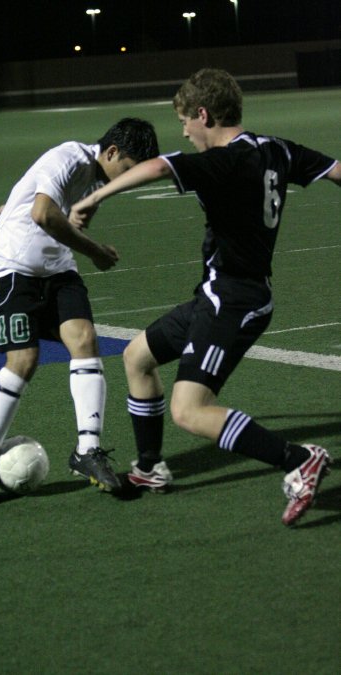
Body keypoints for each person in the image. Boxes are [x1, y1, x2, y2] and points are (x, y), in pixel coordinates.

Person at [71, 69, 341, 526]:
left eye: (185, 122)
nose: (184, 133)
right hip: (215, 295)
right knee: (137, 357)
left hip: (236, 300)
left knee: (190, 411)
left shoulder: (223, 162)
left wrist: (95, 198)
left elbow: (157, 166)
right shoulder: (276, 148)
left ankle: (298, 458)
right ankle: (150, 467)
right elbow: (337, 170)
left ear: (203, 114)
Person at [0, 117, 159, 509]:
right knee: (23, 359)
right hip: (10, 267)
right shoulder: (68, 156)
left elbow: (36, 192)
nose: (130, 178)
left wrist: (7, 206)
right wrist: (95, 250)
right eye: (130, 167)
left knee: (85, 340)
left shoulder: (100, 177)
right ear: (113, 152)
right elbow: (43, 214)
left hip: (57, 268)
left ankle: (88, 451)